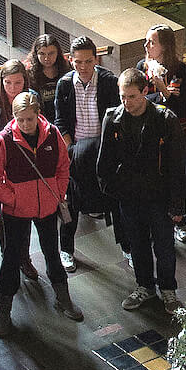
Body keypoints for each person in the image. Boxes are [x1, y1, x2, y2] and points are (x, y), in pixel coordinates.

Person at [0, 89, 82, 332]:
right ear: (14, 117)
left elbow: (63, 167)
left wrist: (57, 194)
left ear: (38, 115)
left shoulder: (53, 134)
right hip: (16, 210)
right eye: (20, 120)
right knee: (11, 258)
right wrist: (13, 199)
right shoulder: (3, 140)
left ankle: (63, 298)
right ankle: (3, 311)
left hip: (47, 206)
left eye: (30, 119)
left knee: (52, 253)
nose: (26, 125)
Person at [96, 66, 186, 314]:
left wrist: (177, 205)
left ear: (145, 92)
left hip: (158, 195)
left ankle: (168, 289)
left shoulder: (164, 120)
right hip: (129, 196)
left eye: (132, 97)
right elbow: (104, 162)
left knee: (164, 246)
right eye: (123, 97)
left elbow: (177, 165)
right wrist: (114, 191)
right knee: (137, 245)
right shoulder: (113, 118)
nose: (126, 103)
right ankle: (144, 286)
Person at [53, 36, 120, 269]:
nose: (83, 67)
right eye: (78, 62)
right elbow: (60, 121)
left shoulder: (109, 81)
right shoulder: (64, 84)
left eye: (88, 61)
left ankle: (128, 248)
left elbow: (115, 117)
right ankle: (66, 250)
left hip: (103, 149)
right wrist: (70, 149)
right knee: (70, 203)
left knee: (115, 200)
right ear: (70, 60)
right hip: (77, 151)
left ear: (96, 59)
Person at [142, 25, 186, 242]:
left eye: (152, 42)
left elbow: (181, 106)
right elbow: (142, 101)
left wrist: (163, 89)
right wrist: (164, 96)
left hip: (175, 134)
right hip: (151, 134)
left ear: (164, 46)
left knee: (177, 178)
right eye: (146, 41)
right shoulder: (142, 67)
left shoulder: (179, 69)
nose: (146, 46)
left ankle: (180, 221)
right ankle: (159, 221)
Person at [26, 33, 67, 101]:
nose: (46, 58)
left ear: (58, 53)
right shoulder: (29, 72)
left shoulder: (66, 67)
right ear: (36, 54)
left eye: (51, 53)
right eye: (42, 54)